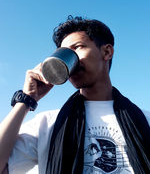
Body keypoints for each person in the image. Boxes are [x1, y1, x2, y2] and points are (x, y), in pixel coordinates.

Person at [0, 16, 150, 174]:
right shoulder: (48, 124)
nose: (71, 60)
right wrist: (26, 99)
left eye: (77, 47)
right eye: (63, 53)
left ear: (107, 52)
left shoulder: (145, 120)